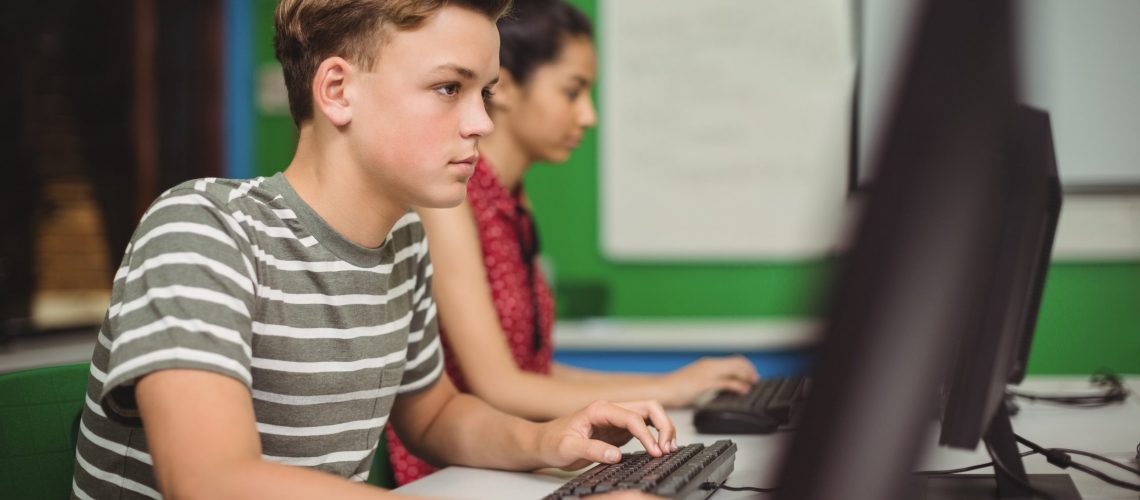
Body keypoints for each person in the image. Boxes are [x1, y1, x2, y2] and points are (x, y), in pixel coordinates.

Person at [70, 1, 677, 498]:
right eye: (448, 88)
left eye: (485, 94)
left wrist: (548, 441)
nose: (482, 124)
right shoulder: (205, 229)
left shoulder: (403, 244)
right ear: (337, 90)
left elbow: (435, 417)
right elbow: (211, 482)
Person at [387, 0, 760, 485]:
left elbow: (533, 369)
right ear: (506, 87)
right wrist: (669, 388)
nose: (588, 116)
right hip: (457, 471)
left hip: (513, 463)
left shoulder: (514, 204)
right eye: (572, 91)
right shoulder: (450, 201)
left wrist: (670, 390)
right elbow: (500, 386)